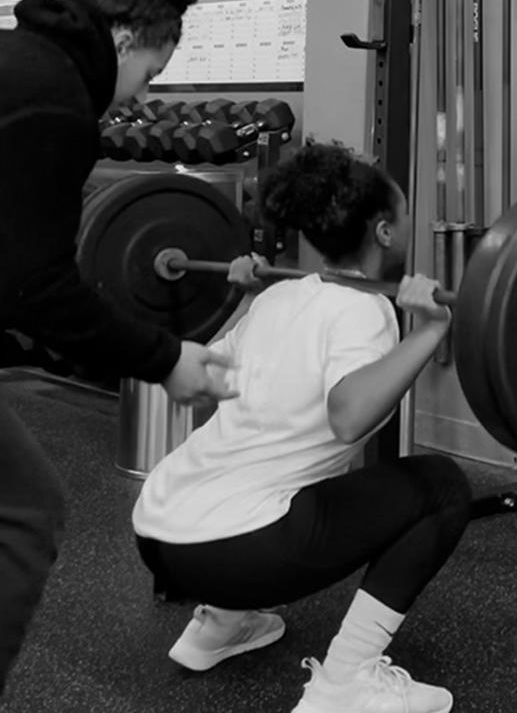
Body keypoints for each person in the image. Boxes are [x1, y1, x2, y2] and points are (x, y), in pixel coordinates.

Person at [132, 140, 473, 713]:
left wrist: (243, 299)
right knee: (442, 487)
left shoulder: (281, 297)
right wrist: (431, 331)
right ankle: (347, 683)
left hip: (159, 534)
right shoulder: (363, 309)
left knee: (284, 476)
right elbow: (348, 419)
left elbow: (205, 385)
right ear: (386, 233)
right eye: (407, 212)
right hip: (235, 554)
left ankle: (216, 628)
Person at [0, 0, 237, 699]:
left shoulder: (16, 57)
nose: (139, 96)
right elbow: (34, 285)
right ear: (127, 35)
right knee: (23, 513)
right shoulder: (54, 101)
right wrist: (165, 358)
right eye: (150, 73)